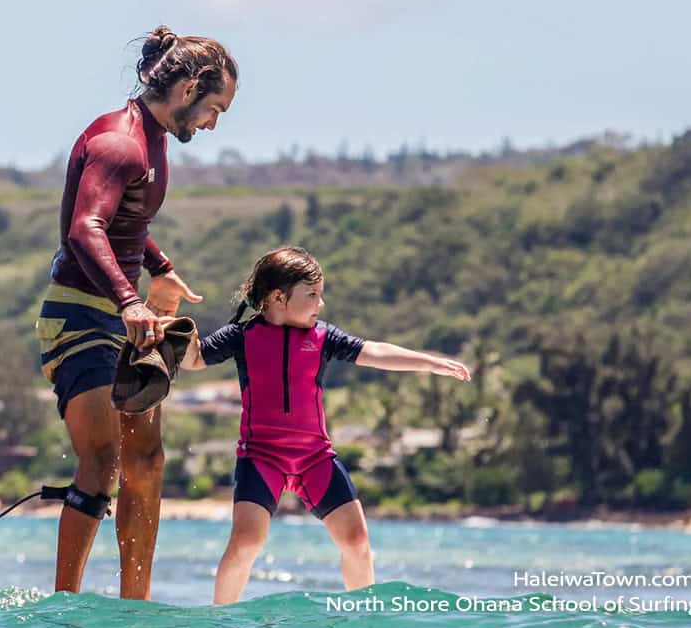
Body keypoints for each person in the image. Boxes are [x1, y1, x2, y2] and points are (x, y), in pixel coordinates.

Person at [35, 25, 239, 599]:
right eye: (214, 107)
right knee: (101, 460)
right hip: (81, 316)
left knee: (146, 457)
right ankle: (65, 606)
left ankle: (135, 607)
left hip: (127, 316)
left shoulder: (153, 142)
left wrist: (160, 266)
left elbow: (129, 223)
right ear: (189, 87)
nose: (213, 123)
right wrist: (129, 299)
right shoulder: (119, 142)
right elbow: (86, 227)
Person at [176, 247, 471, 604]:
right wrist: (173, 324)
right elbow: (193, 359)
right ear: (278, 298)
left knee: (356, 540)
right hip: (261, 458)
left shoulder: (323, 337)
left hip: (315, 459)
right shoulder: (242, 336)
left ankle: (365, 620)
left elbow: (374, 351)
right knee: (246, 542)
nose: (321, 303)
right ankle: (221, 621)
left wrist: (431, 363)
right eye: (313, 294)